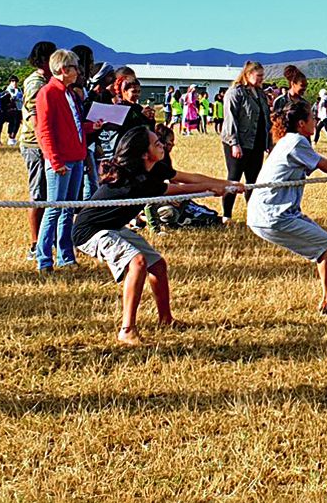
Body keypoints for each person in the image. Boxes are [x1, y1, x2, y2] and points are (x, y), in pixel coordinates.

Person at [77, 117, 235, 342]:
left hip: (113, 227)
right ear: (143, 154)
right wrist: (215, 187)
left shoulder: (154, 168)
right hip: (91, 232)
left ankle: (166, 319)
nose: (162, 144)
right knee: (138, 262)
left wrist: (224, 183)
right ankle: (127, 330)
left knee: (158, 266)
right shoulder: (136, 179)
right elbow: (178, 189)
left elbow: (187, 177)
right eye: (156, 143)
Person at [247, 99, 327, 315]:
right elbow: (325, 165)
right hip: (272, 215)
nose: (316, 121)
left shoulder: (290, 141)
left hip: (276, 212)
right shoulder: (296, 142)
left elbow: (325, 163)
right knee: (325, 244)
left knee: (324, 245)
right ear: (302, 124)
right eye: (312, 118)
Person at [34, 49, 88, 270]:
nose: (78, 72)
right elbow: (44, 130)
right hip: (61, 161)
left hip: (76, 158)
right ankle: (43, 258)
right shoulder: (48, 93)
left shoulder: (69, 93)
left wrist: (92, 127)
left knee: (68, 210)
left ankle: (66, 257)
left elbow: (72, 124)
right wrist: (55, 161)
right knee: (54, 209)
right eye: (75, 67)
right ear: (64, 70)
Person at [19, 40, 58, 258]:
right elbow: (35, 117)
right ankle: (35, 243)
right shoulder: (35, 83)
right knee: (38, 194)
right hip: (35, 144)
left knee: (49, 194)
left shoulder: (48, 80)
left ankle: (47, 238)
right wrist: (45, 146)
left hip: (46, 143)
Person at [220, 60, 270, 222]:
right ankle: (227, 215)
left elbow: (265, 120)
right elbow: (230, 121)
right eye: (259, 75)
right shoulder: (235, 93)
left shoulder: (261, 94)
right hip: (238, 143)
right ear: (248, 75)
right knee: (234, 179)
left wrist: (268, 143)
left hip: (256, 143)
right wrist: (234, 143)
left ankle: (253, 214)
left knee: (253, 180)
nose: (262, 78)